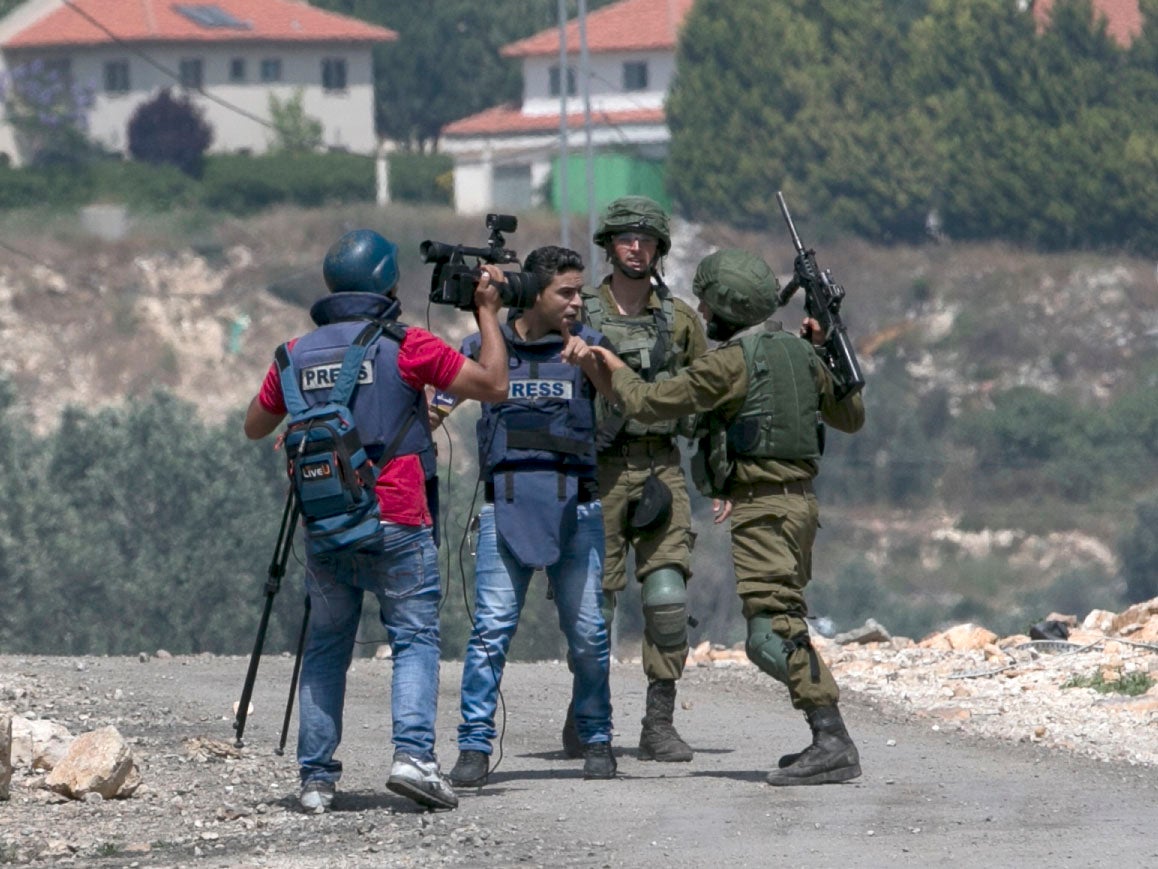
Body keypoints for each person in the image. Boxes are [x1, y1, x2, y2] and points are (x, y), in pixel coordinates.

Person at [565, 248, 866, 786]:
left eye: (707, 302)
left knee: (772, 633)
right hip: (799, 507)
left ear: (728, 305)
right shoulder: (801, 356)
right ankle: (827, 736)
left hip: (764, 509)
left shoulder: (732, 362)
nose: (700, 312)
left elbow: (653, 403)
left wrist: (609, 367)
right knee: (780, 622)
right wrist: (828, 351)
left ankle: (832, 738)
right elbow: (851, 416)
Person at [243, 229, 509, 813]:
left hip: (327, 524)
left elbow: (255, 426)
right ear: (388, 283)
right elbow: (493, 384)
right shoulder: (408, 345)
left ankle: (316, 780)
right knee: (413, 639)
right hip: (399, 517)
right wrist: (486, 312)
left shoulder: (292, 354)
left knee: (325, 647)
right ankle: (413, 759)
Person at [430, 246, 617, 786]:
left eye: (580, 291)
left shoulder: (588, 347)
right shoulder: (487, 349)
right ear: (535, 293)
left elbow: (620, 396)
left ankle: (597, 738)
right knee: (490, 632)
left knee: (588, 634)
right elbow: (436, 406)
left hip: (575, 506)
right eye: (566, 292)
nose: (578, 302)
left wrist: (591, 362)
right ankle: (473, 748)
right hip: (505, 505)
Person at [563, 196, 708, 764]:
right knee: (592, 607)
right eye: (626, 238)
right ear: (608, 246)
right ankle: (586, 715)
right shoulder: (580, 315)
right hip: (598, 471)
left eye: (646, 239)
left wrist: (717, 479)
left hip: (662, 466)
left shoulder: (681, 321)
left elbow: (709, 400)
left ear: (659, 249)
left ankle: (658, 722)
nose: (636, 247)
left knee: (668, 599)